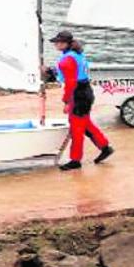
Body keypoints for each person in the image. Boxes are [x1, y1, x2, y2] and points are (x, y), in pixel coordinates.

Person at [51, 30, 113, 171]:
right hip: (86, 92)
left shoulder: (66, 60)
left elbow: (71, 83)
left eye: (58, 42)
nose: (55, 44)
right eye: (56, 41)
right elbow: (73, 72)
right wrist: (50, 72)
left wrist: (66, 101)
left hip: (78, 95)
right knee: (85, 124)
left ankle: (75, 160)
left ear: (66, 44)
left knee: (77, 129)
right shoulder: (77, 53)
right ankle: (105, 147)